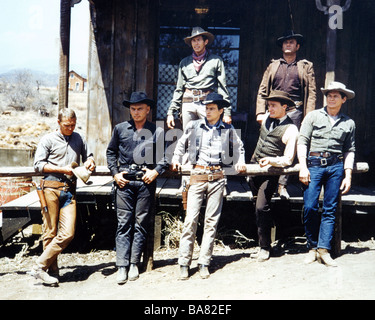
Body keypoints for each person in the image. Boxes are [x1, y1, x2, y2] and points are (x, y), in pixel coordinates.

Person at [171, 92, 246, 279]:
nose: (208, 111)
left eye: (212, 108)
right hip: (197, 175)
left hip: (218, 177)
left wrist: (240, 161)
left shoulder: (227, 129)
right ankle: (183, 262)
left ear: (221, 111)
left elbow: (239, 147)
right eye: (207, 108)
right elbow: (180, 145)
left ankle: (204, 261)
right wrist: (176, 159)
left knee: (211, 222)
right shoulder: (194, 126)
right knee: (190, 221)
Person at [106, 91, 168, 284]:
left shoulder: (156, 131)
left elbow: (165, 157)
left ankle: (134, 263)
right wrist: (115, 174)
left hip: (145, 183)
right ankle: (122, 266)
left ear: (147, 109)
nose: (136, 112)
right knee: (123, 224)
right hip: (124, 182)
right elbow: (110, 152)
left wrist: (155, 171)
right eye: (133, 109)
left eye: (140, 108)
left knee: (140, 224)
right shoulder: (120, 129)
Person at [32, 109, 96, 285]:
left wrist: (90, 161)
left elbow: (88, 156)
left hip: (69, 190)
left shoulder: (79, 138)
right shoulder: (47, 140)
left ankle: (39, 266)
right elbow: (38, 165)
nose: (70, 128)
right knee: (50, 232)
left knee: (68, 233)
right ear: (58, 122)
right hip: (50, 189)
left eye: (73, 125)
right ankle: (51, 272)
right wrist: (62, 169)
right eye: (67, 125)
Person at [298, 81, 356, 267]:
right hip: (313, 165)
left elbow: (349, 150)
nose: (331, 98)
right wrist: (302, 166)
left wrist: (348, 174)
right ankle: (312, 247)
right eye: (329, 95)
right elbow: (302, 142)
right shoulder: (313, 116)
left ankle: (324, 250)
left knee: (330, 208)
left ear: (343, 99)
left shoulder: (349, 123)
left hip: (336, 167)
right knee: (310, 206)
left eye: (336, 96)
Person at [256, 30, 316, 199]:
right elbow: (262, 90)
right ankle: (263, 180)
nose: (288, 45)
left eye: (291, 42)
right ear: (282, 46)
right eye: (285, 42)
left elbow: (311, 93)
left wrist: (308, 117)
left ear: (297, 46)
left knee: (291, 147)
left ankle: (282, 185)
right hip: (273, 111)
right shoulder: (273, 65)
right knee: (270, 143)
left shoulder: (305, 66)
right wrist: (261, 112)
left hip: (295, 111)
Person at [248, 90, 298, 262]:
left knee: (262, 206)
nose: (270, 108)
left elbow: (289, 159)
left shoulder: (291, 129)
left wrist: (271, 160)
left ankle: (265, 248)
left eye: (274, 105)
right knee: (258, 207)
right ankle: (262, 242)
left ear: (285, 107)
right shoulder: (266, 119)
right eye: (268, 105)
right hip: (254, 170)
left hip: (271, 173)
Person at [166, 27, 232, 130]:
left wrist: (227, 112)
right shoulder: (184, 63)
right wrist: (170, 112)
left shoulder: (216, 61)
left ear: (205, 42)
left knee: (210, 135)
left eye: (199, 40)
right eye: (193, 40)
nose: (196, 43)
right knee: (188, 138)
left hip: (207, 103)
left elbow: (222, 88)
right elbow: (179, 89)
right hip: (188, 102)